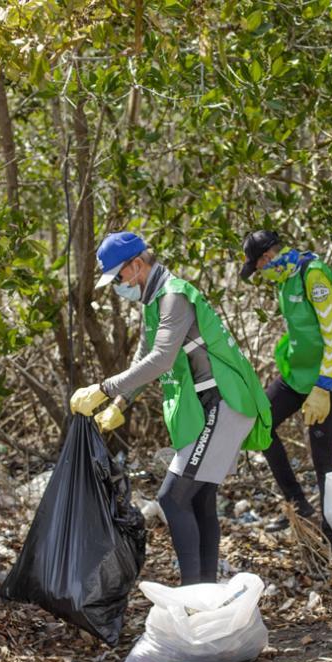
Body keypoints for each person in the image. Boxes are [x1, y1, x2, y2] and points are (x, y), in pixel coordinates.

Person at [71, 231, 271, 586]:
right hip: (214, 405)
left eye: (118, 278)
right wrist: (120, 402)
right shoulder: (155, 299)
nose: (118, 286)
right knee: (199, 498)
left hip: (223, 402)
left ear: (136, 266)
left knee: (173, 499)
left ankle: (194, 595)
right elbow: (145, 354)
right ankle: (206, 595)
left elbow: (162, 360)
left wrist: (102, 389)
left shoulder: (174, 297)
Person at [239, 230, 332, 550]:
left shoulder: (312, 275)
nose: (261, 274)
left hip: (326, 375)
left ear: (267, 257)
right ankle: (298, 504)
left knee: (321, 455)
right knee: (261, 422)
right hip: (297, 375)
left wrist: (323, 387)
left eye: (259, 267)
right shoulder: (285, 280)